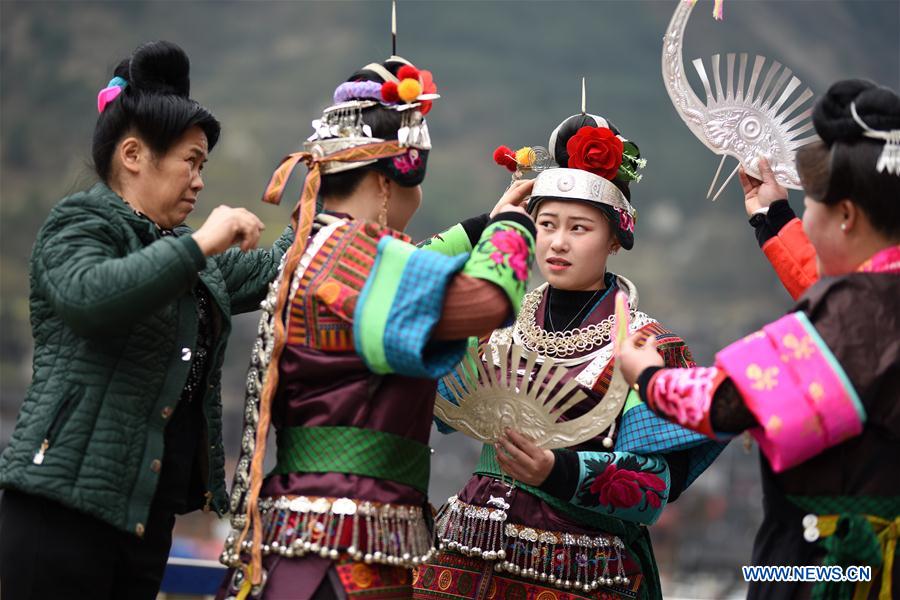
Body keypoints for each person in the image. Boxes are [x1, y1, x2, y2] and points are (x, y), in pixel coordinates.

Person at [217, 56, 538, 600]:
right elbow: (486, 300)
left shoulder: (316, 250)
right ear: (392, 180)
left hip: (318, 530)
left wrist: (486, 224)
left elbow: (418, 265)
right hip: (339, 548)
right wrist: (512, 230)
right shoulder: (353, 256)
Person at [0, 40, 294, 599]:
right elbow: (92, 297)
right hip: (61, 506)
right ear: (134, 155)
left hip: (143, 518)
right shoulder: (81, 222)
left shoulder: (186, 256)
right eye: (191, 162)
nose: (200, 181)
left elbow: (280, 269)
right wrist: (205, 242)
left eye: (203, 166)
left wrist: (332, 186)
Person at [414, 113, 726, 600]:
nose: (557, 242)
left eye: (578, 227)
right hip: (467, 557)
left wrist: (558, 472)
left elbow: (657, 486)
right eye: (545, 224)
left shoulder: (648, 347)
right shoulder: (494, 317)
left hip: (582, 571)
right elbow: (404, 290)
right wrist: (487, 227)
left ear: (615, 240)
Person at [618, 79, 900, 600]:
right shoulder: (877, 304)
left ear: (846, 216)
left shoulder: (851, 316)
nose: (806, 220)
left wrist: (649, 377)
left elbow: (728, 403)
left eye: (810, 206)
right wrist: (774, 217)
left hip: (835, 570)